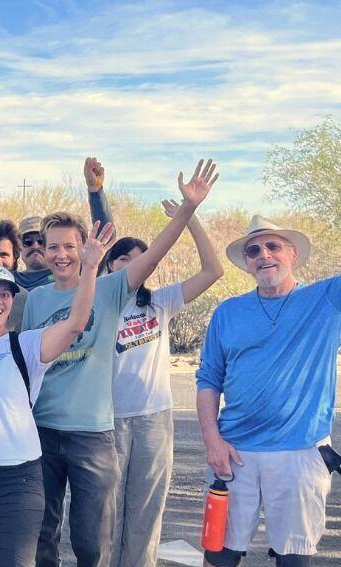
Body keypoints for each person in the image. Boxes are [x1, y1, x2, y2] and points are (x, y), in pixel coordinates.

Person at [23, 159, 218, 567]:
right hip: (42, 431)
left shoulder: (111, 289)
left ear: (85, 248)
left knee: (93, 541)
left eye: (69, 246)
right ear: (41, 250)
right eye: (52, 246)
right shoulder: (35, 300)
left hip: (91, 434)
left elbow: (155, 255)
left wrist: (188, 209)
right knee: (42, 533)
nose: (60, 254)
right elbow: (28, 365)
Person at [0, 218, 109, 566]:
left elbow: (76, 323)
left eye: (5, 294)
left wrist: (89, 268)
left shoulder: (28, 347)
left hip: (16, 479)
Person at [197, 215, 340, 567]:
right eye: (253, 250)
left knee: (293, 556)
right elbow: (209, 378)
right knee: (219, 552)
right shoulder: (228, 312)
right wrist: (212, 440)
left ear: (293, 255)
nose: (264, 255)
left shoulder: (326, 300)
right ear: (247, 263)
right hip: (234, 452)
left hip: (299, 452)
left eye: (273, 246)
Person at [105, 200, 223, 567]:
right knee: (107, 517)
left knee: (145, 514)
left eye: (141, 258)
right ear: (110, 264)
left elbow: (213, 270)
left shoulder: (160, 302)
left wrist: (190, 218)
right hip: (107, 422)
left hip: (154, 419)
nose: (133, 264)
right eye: (124, 258)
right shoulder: (96, 304)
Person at [15, 157, 114, 290]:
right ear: (18, 247)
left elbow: (105, 238)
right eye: (27, 241)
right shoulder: (8, 280)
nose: (35, 246)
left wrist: (95, 192)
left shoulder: (71, 272)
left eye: (41, 241)